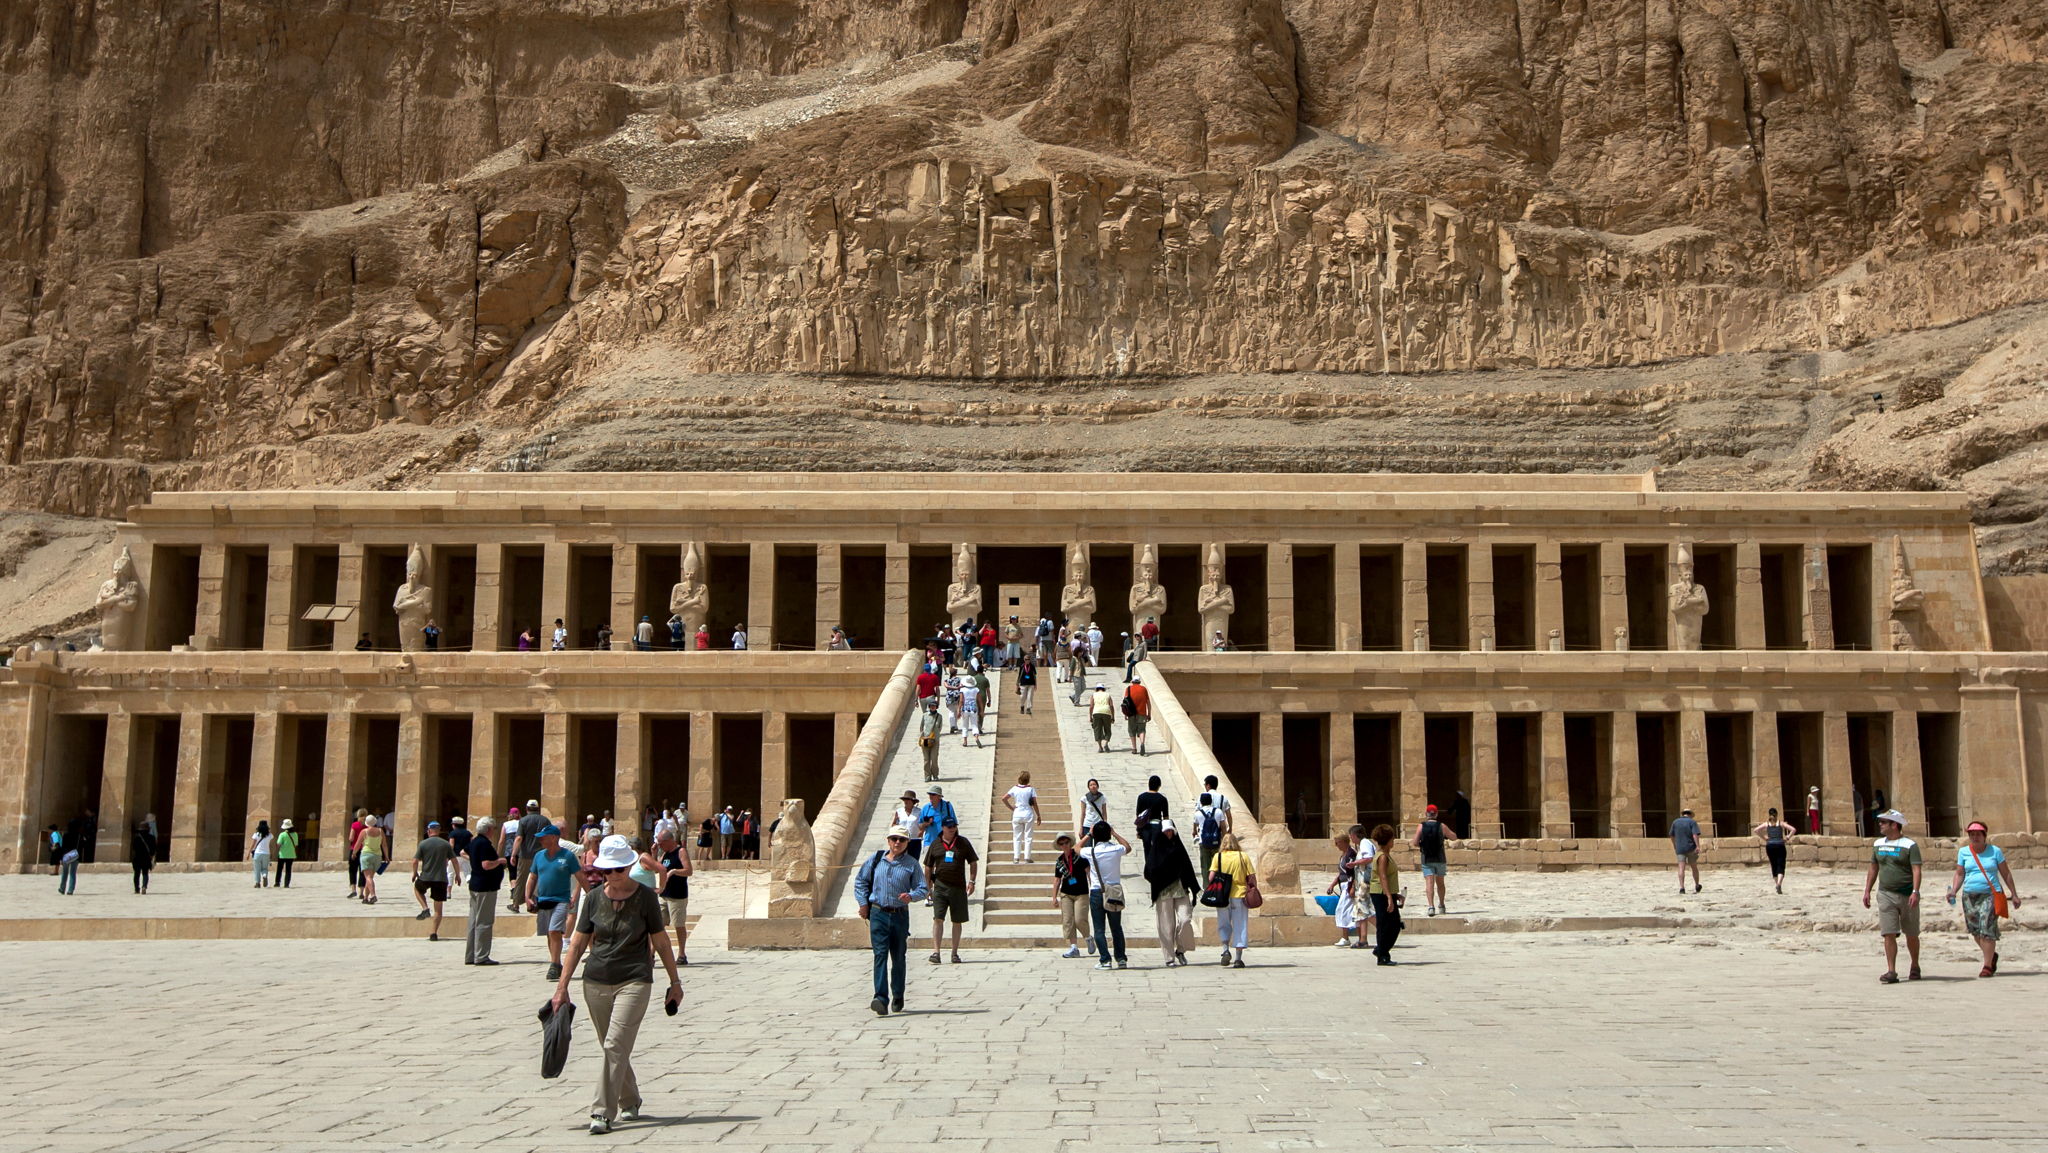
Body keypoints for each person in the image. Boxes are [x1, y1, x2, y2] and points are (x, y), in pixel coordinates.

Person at [551, 835, 683, 1135]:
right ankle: (630, 1098)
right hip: (596, 979)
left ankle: (601, 1112)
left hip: (635, 978)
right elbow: (579, 943)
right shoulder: (594, 897)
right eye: (605, 871)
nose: (612, 876)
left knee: (614, 1045)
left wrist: (675, 981)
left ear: (629, 866)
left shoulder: (646, 897)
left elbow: (660, 940)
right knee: (613, 1048)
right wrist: (562, 986)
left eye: (618, 870)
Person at [854, 826, 928, 1016]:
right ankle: (880, 997)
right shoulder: (876, 860)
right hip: (878, 913)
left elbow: (923, 888)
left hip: (899, 915)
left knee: (898, 957)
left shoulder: (911, 864)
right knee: (880, 955)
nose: (897, 843)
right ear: (888, 840)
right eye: (894, 839)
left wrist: (911, 896)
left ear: (907, 843)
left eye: (901, 840)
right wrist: (863, 903)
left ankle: (898, 994)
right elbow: (861, 881)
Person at [1946, 820, 2022, 977]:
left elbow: (2006, 873)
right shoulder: (1963, 852)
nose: (1975, 837)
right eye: (1972, 834)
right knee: (1975, 930)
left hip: (1990, 894)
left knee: (1986, 928)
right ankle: (1991, 955)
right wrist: (1953, 890)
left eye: (1978, 834)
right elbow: (1960, 873)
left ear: (1984, 836)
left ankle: (1987, 966)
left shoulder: (1995, 851)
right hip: (1969, 895)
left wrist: (2014, 894)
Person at [1862, 809, 1922, 984]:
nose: (1880, 825)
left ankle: (1915, 965)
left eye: (1883, 822)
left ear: (1894, 825)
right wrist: (1867, 890)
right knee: (1888, 933)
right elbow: (1873, 868)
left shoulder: (1909, 845)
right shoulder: (1878, 844)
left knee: (1911, 933)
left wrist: (1915, 891)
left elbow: (1916, 869)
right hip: (1885, 893)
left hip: (1906, 894)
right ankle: (1891, 970)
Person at [525, 825, 581, 980]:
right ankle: (555, 962)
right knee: (549, 935)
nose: (541, 839)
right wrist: (527, 896)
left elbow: (580, 876)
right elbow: (532, 877)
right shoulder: (539, 856)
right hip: (543, 900)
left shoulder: (568, 856)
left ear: (554, 838)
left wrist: (591, 895)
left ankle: (554, 965)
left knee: (554, 931)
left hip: (562, 900)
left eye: (544, 837)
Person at [923, 817, 979, 964]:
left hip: (959, 887)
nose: (952, 828)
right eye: (949, 826)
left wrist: (972, 881)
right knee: (938, 919)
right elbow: (928, 866)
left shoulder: (963, 842)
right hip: (940, 886)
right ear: (943, 828)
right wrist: (928, 886)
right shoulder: (935, 844)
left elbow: (973, 861)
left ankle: (954, 953)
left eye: (954, 826)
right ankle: (936, 952)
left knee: (957, 921)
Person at [1146, 820, 1200, 966]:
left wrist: (1193, 886)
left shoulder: (1178, 847)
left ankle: (1180, 949)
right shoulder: (1156, 849)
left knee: (1185, 920)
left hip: (1181, 890)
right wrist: (1160, 879)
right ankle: (1169, 957)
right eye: (1166, 831)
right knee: (1166, 926)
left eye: (1171, 831)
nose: (1169, 834)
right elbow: (1149, 871)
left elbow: (1187, 867)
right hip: (1164, 892)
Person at [1082, 821, 1131, 970]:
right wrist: (1114, 833)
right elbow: (1128, 847)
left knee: (1099, 928)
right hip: (1114, 891)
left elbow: (1075, 848)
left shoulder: (1091, 851)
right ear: (1108, 834)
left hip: (1097, 891)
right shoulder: (1116, 849)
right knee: (1116, 927)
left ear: (1095, 835)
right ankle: (1121, 959)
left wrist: (1088, 834)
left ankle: (1105, 960)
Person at [1207, 831, 1257, 968]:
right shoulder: (1243, 856)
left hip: (1222, 895)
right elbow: (1252, 877)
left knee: (1223, 923)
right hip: (1239, 895)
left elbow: (1211, 878)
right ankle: (1238, 959)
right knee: (1240, 925)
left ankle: (1225, 950)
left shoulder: (1218, 857)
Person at [464, 817, 505, 966]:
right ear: (488, 829)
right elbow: (486, 865)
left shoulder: (474, 842)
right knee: (484, 922)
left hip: (475, 884)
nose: (494, 831)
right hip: (485, 887)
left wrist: (473, 861)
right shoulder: (484, 844)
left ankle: (470, 955)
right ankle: (481, 956)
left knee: (473, 921)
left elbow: (463, 852)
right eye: (493, 829)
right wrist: (499, 861)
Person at [1051, 832, 1092, 958]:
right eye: (1061, 844)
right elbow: (1057, 879)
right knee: (1068, 921)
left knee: (1079, 920)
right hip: (1066, 893)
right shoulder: (1059, 861)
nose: (1064, 845)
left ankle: (1088, 938)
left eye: (1066, 842)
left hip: (1081, 893)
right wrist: (1054, 897)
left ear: (1070, 843)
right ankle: (1074, 947)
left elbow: (1089, 873)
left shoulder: (1080, 856)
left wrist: (1094, 887)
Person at [1367, 824, 1404, 965]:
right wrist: (1389, 897)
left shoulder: (1386, 855)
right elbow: (1383, 877)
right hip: (1380, 893)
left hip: (1386, 892)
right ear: (1388, 840)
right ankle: (1382, 955)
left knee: (1394, 925)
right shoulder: (1382, 857)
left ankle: (1381, 949)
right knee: (1385, 925)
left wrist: (1395, 895)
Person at [657, 827, 694, 965]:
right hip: (664, 893)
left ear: (669, 840)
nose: (660, 845)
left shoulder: (680, 851)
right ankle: (652, 953)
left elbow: (689, 871)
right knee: (658, 924)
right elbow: (658, 867)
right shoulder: (664, 854)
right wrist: (655, 852)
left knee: (678, 924)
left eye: (661, 843)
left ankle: (682, 953)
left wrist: (674, 872)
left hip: (677, 895)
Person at [412, 821, 455, 941]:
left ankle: (425, 908)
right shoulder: (446, 844)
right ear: (439, 830)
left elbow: (415, 861)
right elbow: (454, 860)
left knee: (417, 888)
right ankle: (433, 933)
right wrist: (457, 875)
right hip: (441, 878)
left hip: (426, 877)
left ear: (429, 831)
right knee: (438, 908)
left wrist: (415, 873)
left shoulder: (423, 844)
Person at [1411, 804, 1457, 915]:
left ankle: (1431, 907)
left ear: (1426, 814)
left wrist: (1423, 844)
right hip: (1440, 857)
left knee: (1429, 882)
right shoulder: (1442, 826)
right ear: (1436, 814)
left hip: (1426, 858)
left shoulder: (1421, 826)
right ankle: (1441, 905)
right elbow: (1453, 837)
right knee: (1440, 883)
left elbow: (1415, 842)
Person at [1327, 832, 1363, 948]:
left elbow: (1353, 872)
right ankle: (1353, 937)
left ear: (1343, 842)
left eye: (1337, 843)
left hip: (1349, 885)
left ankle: (1347, 937)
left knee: (1343, 910)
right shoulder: (1343, 855)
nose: (1336, 845)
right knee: (1347, 910)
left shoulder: (1351, 854)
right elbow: (1341, 873)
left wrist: (1352, 887)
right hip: (1343, 885)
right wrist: (1332, 885)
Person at [1752, 807, 1798, 893]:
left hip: (1770, 845)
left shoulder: (1766, 824)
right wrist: (1787, 837)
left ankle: (1776, 884)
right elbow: (1793, 829)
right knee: (1781, 864)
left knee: (1774, 865)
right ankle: (1779, 884)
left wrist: (1764, 837)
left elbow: (1756, 830)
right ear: (1777, 815)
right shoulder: (1781, 823)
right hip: (1780, 845)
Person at [1004, 771, 1040, 864]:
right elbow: (1034, 803)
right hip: (1028, 813)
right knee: (1028, 836)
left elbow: (1004, 798)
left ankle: (1016, 857)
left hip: (1017, 813)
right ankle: (1027, 857)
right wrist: (1038, 815)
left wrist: (1011, 807)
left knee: (1017, 836)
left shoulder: (1015, 788)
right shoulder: (1031, 789)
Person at [1194, 789, 1231, 877]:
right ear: (1211, 801)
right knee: (1218, 866)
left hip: (1203, 843)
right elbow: (1223, 828)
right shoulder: (1218, 812)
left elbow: (1194, 830)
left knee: (1205, 866)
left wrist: (1195, 833)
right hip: (1216, 842)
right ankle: (1217, 886)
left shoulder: (1198, 813)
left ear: (1201, 802)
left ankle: (1207, 888)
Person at [352, 813, 385, 904]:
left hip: (366, 855)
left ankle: (373, 895)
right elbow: (384, 845)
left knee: (368, 877)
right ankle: (366, 898)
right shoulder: (380, 831)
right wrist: (387, 856)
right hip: (377, 856)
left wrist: (354, 853)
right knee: (370, 878)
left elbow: (358, 844)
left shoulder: (364, 831)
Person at [1671, 808, 1704, 894]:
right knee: (1694, 867)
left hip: (1680, 848)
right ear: (1690, 814)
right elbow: (1695, 835)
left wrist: (1675, 845)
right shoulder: (1692, 822)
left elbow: (1671, 835)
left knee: (1681, 867)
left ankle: (1682, 887)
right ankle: (1697, 885)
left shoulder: (1675, 822)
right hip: (1691, 847)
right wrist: (1697, 846)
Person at [917, 787, 956, 853]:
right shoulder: (926, 808)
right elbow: (920, 826)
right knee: (929, 863)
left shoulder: (947, 806)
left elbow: (954, 824)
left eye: (933, 794)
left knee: (947, 863)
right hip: (929, 843)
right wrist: (926, 823)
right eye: (930, 794)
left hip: (946, 842)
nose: (931, 796)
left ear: (939, 796)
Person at [918, 697, 944, 781]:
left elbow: (939, 728)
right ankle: (927, 776)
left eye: (934, 706)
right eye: (931, 706)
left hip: (935, 740)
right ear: (929, 707)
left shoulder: (939, 716)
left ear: (936, 707)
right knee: (926, 759)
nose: (933, 707)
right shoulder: (925, 715)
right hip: (925, 739)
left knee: (934, 759)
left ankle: (935, 775)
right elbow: (921, 727)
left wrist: (934, 736)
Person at [1124, 676, 1151, 754]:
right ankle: (1142, 743)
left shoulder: (1128, 689)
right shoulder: (1143, 689)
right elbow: (1148, 703)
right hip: (1142, 713)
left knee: (1132, 731)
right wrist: (1149, 714)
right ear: (1139, 682)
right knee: (1142, 729)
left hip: (1131, 713)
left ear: (1132, 682)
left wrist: (1125, 713)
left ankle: (1134, 748)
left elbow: (1125, 702)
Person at [131, 819, 156, 894]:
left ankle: (136, 889)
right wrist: (151, 856)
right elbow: (153, 849)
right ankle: (144, 886)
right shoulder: (152, 838)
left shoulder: (136, 838)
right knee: (145, 873)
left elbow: (134, 848)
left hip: (137, 858)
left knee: (136, 874)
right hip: (146, 858)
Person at [274, 818, 300, 888]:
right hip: (291, 854)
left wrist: (276, 850)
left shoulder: (282, 834)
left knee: (279, 869)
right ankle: (286, 884)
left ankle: (277, 882)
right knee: (288, 870)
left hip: (282, 854)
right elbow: (296, 844)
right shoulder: (295, 834)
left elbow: (278, 844)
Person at [959, 672, 983, 748]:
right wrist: (982, 710)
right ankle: (976, 737)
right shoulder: (976, 689)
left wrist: (958, 710)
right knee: (974, 724)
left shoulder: (962, 689)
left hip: (965, 708)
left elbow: (961, 701)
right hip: (973, 708)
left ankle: (965, 742)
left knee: (965, 725)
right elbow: (980, 700)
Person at [1088, 684, 1115, 752]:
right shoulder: (1108, 695)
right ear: (1103, 689)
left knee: (1097, 729)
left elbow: (1091, 706)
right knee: (1107, 729)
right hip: (1106, 712)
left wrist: (1090, 716)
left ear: (1097, 689)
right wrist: (1113, 716)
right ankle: (1106, 743)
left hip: (1096, 712)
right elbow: (1111, 706)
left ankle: (1100, 747)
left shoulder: (1093, 695)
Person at [249, 819, 273, 888]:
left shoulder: (256, 834)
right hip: (266, 853)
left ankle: (257, 883)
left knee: (257, 869)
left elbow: (253, 844)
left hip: (257, 853)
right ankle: (264, 875)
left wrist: (248, 853)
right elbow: (270, 844)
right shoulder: (269, 835)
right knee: (264, 868)